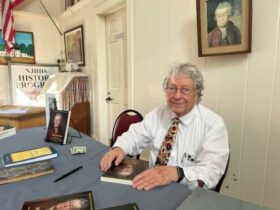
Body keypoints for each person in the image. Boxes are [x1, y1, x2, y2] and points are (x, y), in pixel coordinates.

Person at [100, 63, 229, 191]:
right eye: (172, 88)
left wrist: (177, 173)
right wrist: (119, 148)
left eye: (184, 90)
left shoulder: (213, 125)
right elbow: (134, 135)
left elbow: (212, 171)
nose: (177, 96)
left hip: (187, 194)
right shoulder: (158, 114)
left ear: (197, 94)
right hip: (150, 186)